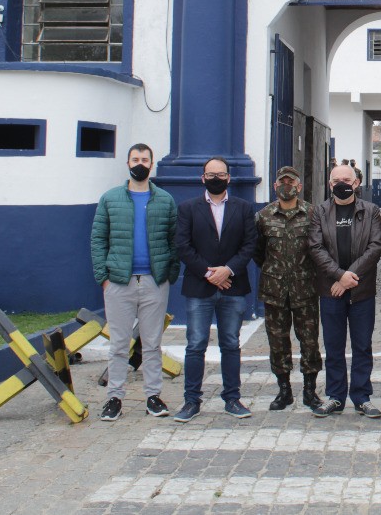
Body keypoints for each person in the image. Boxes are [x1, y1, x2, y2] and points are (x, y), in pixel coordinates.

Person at [90, 143, 179, 421]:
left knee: (151, 344)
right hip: (119, 282)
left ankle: (153, 396)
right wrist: (103, 278)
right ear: (128, 163)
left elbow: (174, 239)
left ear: (151, 164)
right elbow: (98, 239)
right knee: (118, 344)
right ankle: (114, 398)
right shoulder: (110, 199)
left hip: (154, 281)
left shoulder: (164, 200)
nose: (140, 163)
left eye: (144, 159)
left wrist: (169, 275)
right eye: (135, 159)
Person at [172, 157, 258, 422]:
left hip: (233, 285)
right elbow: (182, 245)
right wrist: (209, 273)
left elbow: (250, 244)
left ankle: (232, 398)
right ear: (203, 178)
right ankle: (191, 401)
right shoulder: (188, 208)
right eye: (211, 174)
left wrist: (227, 270)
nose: (216, 178)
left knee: (230, 343)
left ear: (228, 178)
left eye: (221, 174)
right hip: (200, 286)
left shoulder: (243, 208)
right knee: (196, 344)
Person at [308, 162, 381, 418]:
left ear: (356, 183)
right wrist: (339, 276)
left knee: (362, 346)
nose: (342, 184)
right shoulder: (319, 211)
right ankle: (335, 397)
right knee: (333, 346)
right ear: (330, 184)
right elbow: (316, 247)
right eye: (336, 181)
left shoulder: (371, 211)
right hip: (331, 290)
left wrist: (350, 276)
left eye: (347, 180)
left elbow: (375, 247)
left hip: (362, 291)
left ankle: (362, 397)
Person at [254, 165, 321, 411]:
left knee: (309, 342)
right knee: (278, 342)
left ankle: (310, 391)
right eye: (282, 182)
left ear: (299, 186)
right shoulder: (263, 216)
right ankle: (284, 390)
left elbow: (319, 249)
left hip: (305, 290)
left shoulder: (312, 214)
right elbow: (258, 252)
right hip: (275, 291)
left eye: (291, 182)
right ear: (275, 186)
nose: (286, 186)